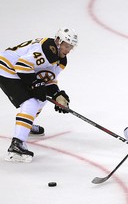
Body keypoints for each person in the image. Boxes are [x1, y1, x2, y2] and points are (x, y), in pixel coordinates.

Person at [0, 27, 78, 162]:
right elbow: (21, 65)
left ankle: (26, 126)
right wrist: (35, 85)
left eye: (71, 47)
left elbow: (47, 79)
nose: (68, 50)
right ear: (58, 41)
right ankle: (17, 145)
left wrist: (57, 94)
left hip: (20, 69)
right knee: (30, 102)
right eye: (66, 46)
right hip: (7, 69)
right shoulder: (48, 49)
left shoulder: (61, 60)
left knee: (42, 98)